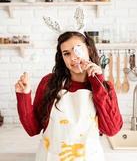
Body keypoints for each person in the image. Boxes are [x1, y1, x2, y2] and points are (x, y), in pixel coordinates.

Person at [15, 31, 123, 161]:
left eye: (77, 49)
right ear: (62, 58)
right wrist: (24, 96)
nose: (73, 58)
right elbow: (33, 129)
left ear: (88, 49)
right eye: (66, 53)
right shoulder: (49, 83)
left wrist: (97, 81)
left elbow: (112, 129)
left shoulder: (104, 87)